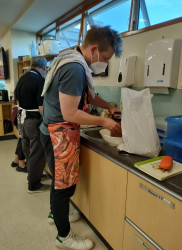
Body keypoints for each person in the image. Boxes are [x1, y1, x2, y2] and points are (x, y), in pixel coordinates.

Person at [40, 25, 122, 249]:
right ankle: (63, 236)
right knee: (63, 188)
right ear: (94, 49)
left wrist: (109, 107)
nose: (104, 63)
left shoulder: (72, 58)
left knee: (60, 184)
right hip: (58, 135)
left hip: (54, 132)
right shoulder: (75, 68)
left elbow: (89, 96)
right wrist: (105, 121)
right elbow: (70, 113)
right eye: (105, 58)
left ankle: (54, 214)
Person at [15, 56, 50, 193]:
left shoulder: (23, 78)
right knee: (37, 152)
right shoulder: (40, 80)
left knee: (28, 149)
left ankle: (32, 176)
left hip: (23, 120)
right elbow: (41, 108)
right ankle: (34, 184)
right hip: (34, 121)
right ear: (44, 68)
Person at [11, 89, 27, 172]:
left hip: (16, 113)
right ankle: (21, 164)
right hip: (20, 115)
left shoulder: (20, 86)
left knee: (21, 139)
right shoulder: (22, 88)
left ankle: (16, 160)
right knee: (22, 140)